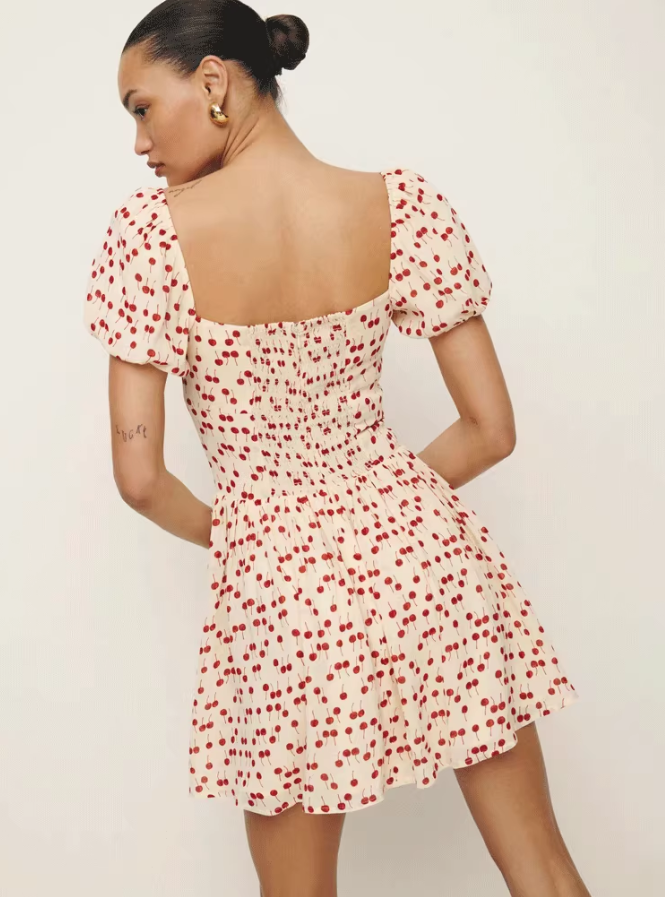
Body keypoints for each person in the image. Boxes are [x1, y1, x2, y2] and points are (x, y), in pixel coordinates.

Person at [82, 2, 592, 895]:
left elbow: (139, 476)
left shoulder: (149, 237)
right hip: (429, 561)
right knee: (543, 870)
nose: (139, 143)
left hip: (281, 592)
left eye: (141, 108)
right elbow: (490, 429)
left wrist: (259, 531)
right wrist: (374, 505)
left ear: (213, 81)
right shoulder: (401, 205)